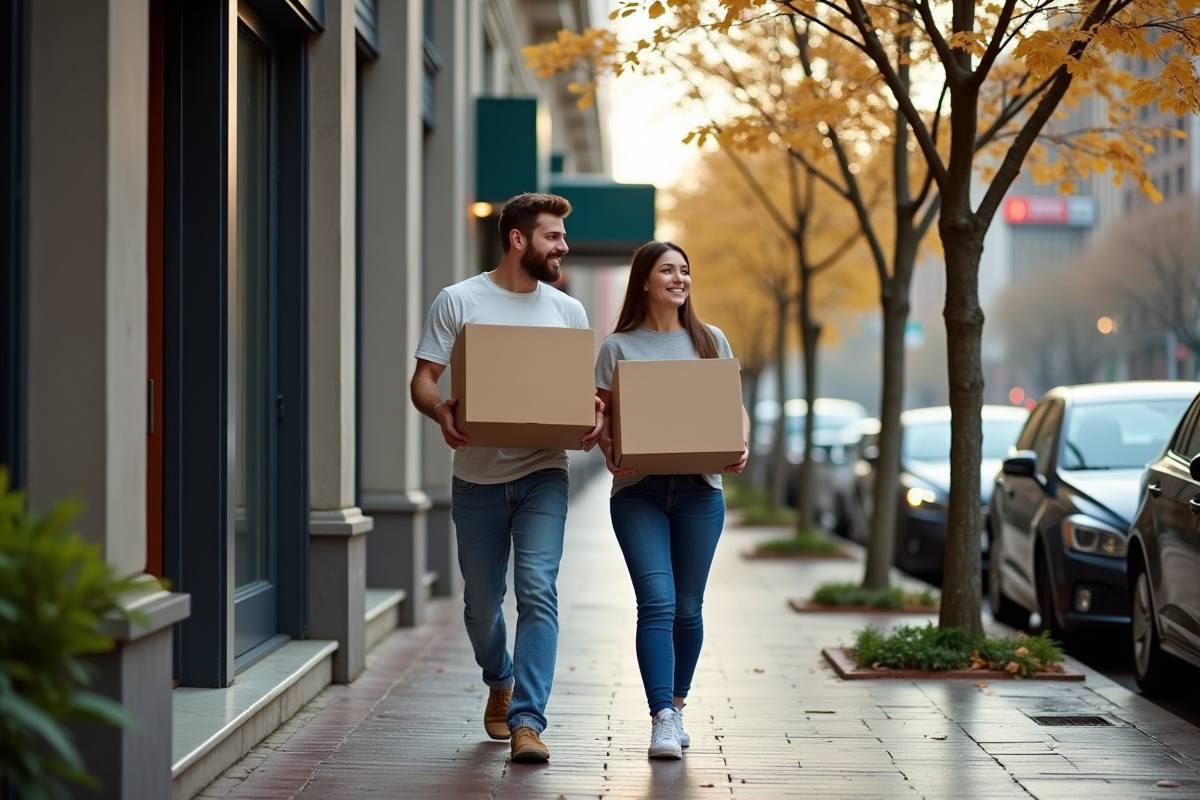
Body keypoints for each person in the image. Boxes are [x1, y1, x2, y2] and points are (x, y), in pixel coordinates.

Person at [410, 193, 603, 764]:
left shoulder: (568, 311)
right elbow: (423, 379)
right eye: (553, 236)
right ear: (519, 240)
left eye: (563, 237)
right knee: (480, 604)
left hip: (544, 469)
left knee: (538, 590)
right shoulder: (460, 300)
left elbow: (583, 394)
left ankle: (528, 720)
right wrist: (440, 409)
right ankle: (500, 676)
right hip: (477, 477)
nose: (563, 247)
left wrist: (593, 415)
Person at [594, 241, 749, 760]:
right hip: (638, 491)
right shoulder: (617, 347)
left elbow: (735, 410)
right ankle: (661, 716)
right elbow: (603, 420)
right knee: (656, 601)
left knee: (688, 607)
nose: (679, 279)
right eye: (668, 270)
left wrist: (740, 442)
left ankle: (677, 705)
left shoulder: (710, 341)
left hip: (700, 492)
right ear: (645, 281)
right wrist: (611, 449)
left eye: (685, 270)